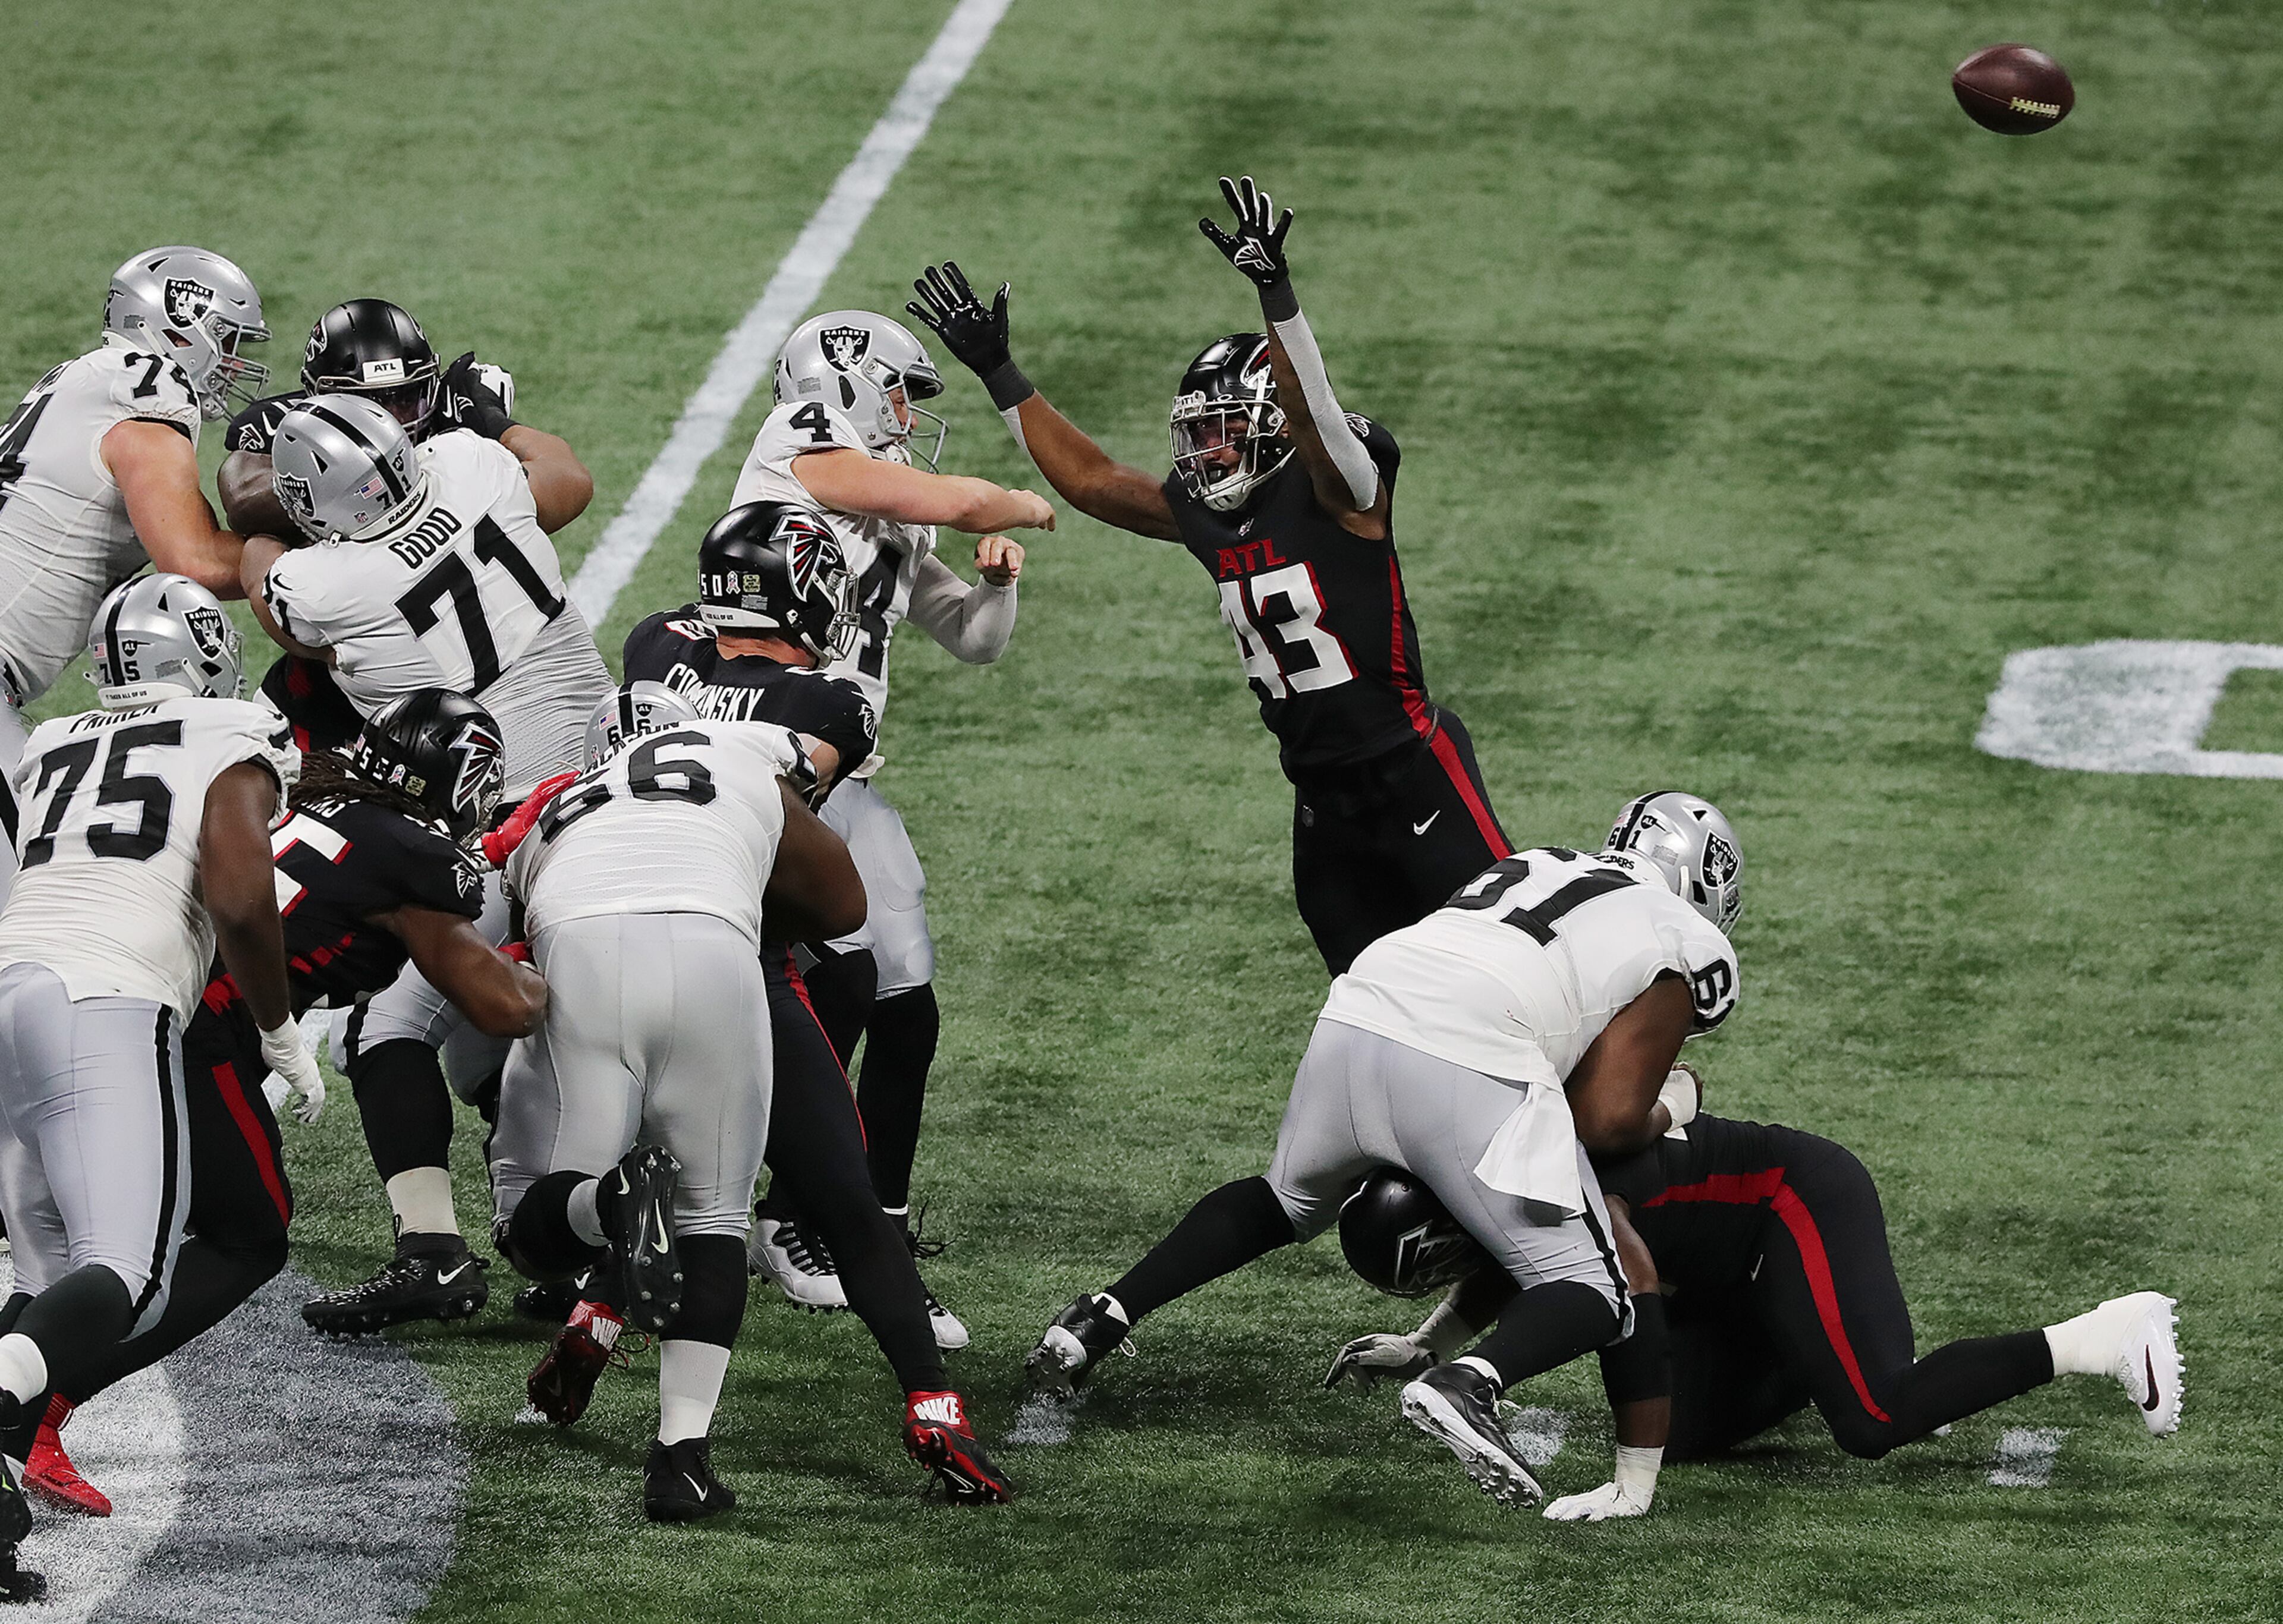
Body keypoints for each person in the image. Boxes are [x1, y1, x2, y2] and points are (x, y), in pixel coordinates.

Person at [1023, 792, 1744, 1510]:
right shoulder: (1684, 933)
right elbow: (1605, 1120)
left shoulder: (1540, 860)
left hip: (1361, 1006)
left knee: (1283, 1199)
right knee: (1599, 1286)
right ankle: (1471, 1384)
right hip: (1465, 1052)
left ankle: (1100, 1316)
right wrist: (1677, 1103)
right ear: (1703, 884)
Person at [910, 175, 1510, 976]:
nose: (1209, 453)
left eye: (1224, 432)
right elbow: (1090, 480)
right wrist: (1000, 373)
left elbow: (1314, 415)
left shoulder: (1342, 492)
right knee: (1368, 1006)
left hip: (1411, 773)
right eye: (1199, 434)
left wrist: (1278, 293)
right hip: (1322, 801)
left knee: (1512, 970)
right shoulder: (1205, 510)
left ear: (1269, 424)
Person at [24, 689, 554, 1512]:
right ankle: (39, 1403)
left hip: (86, 988)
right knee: (235, 1237)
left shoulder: (310, 792)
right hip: (189, 1026)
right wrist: (536, 939)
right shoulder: (413, 853)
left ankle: (34, 1399)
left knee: (68, 1238)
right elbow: (504, 1008)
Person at [587, 502, 1008, 1502]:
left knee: (607, 1183)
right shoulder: (833, 705)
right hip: (728, 955)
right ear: (806, 590)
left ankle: (593, 1315)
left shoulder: (653, 646)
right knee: (827, 1204)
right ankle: (931, 1415)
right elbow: (816, 879)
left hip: (593, 937)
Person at [239, 388, 611, 1333]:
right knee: (518, 1028)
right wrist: (478, 414)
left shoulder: (329, 584)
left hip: (504, 818)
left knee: (389, 1031)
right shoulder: (478, 464)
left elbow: (262, 580)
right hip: (609, 777)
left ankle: (434, 1253)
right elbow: (543, 460)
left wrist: (257, 498)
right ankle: (576, 1240)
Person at [1326, 1115, 2184, 1521]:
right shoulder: (1480, 1167)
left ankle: (2105, 1336)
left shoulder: (1548, 1185)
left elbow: (1636, 1311)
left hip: (1791, 1201)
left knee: (1875, 1417)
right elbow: (1511, 1259)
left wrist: (1634, 1487)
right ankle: (1815, 1340)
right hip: (1724, 1270)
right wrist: (1426, 1343)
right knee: (1691, 1429)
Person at [720, 309, 1049, 1342]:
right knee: (820, 988)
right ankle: (776, 1212)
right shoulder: (799, 447)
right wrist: (1016, 502)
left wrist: (996, 584)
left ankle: (871, 1221)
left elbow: (972, 638)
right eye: (902, 392)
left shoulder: (887, 508)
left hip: (839, 772)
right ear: (846, 382)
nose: (908, 416)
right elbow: (940, 495)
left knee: (905, 999)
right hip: (763, 764)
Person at [492, 682, 878, 1520]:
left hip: (581, 947)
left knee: (535, 1226)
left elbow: (490, 961)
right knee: (711, 1217)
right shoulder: (748, 754)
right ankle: (680, 1461)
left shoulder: (553, 806)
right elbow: (847, 908)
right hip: (717, 947)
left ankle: (609, 1205)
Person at [0, 575, 307, 1600]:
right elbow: (241, 894)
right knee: (123, 1272)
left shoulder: (51, 741)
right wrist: (277, 1028)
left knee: (49, 1296)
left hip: (11, 982)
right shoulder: (226, 729)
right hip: (106, 998)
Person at [0, 248, 270, 907]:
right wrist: (329, 560)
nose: (233, 363)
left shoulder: (86, 378)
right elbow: (196, 560)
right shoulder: (149, 386)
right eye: (226, 341)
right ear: (180, 325)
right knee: (38, 906)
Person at [216, 297, 512, 752]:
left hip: (459, 673)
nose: (391, 418)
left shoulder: (459, 438)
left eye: (406, 397)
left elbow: (559, 496)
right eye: (370, 402)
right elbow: (243, 501)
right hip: (345, 669)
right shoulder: (456, 444)